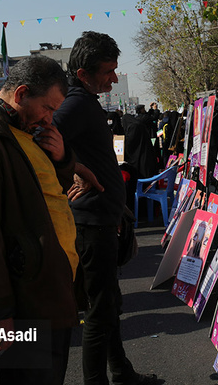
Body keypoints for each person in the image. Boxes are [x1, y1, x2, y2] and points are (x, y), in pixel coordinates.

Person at [0, 56, 83, 384]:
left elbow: (47, 191)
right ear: (20, 94)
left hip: (49, 290)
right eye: (48, 108)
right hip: (23, 304)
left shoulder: (24, 129)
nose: (50, 118)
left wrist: (62, 158)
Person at [53, 31, 157, 385]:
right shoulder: (76, 103)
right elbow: (42, 139)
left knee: (109, 306)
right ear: (84, 74)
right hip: (90, 224)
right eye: (108, 71)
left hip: (100, 220)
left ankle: (121, 372)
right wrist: (73, 170)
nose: (114, 78)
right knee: (99, 312)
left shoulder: (83, 100)